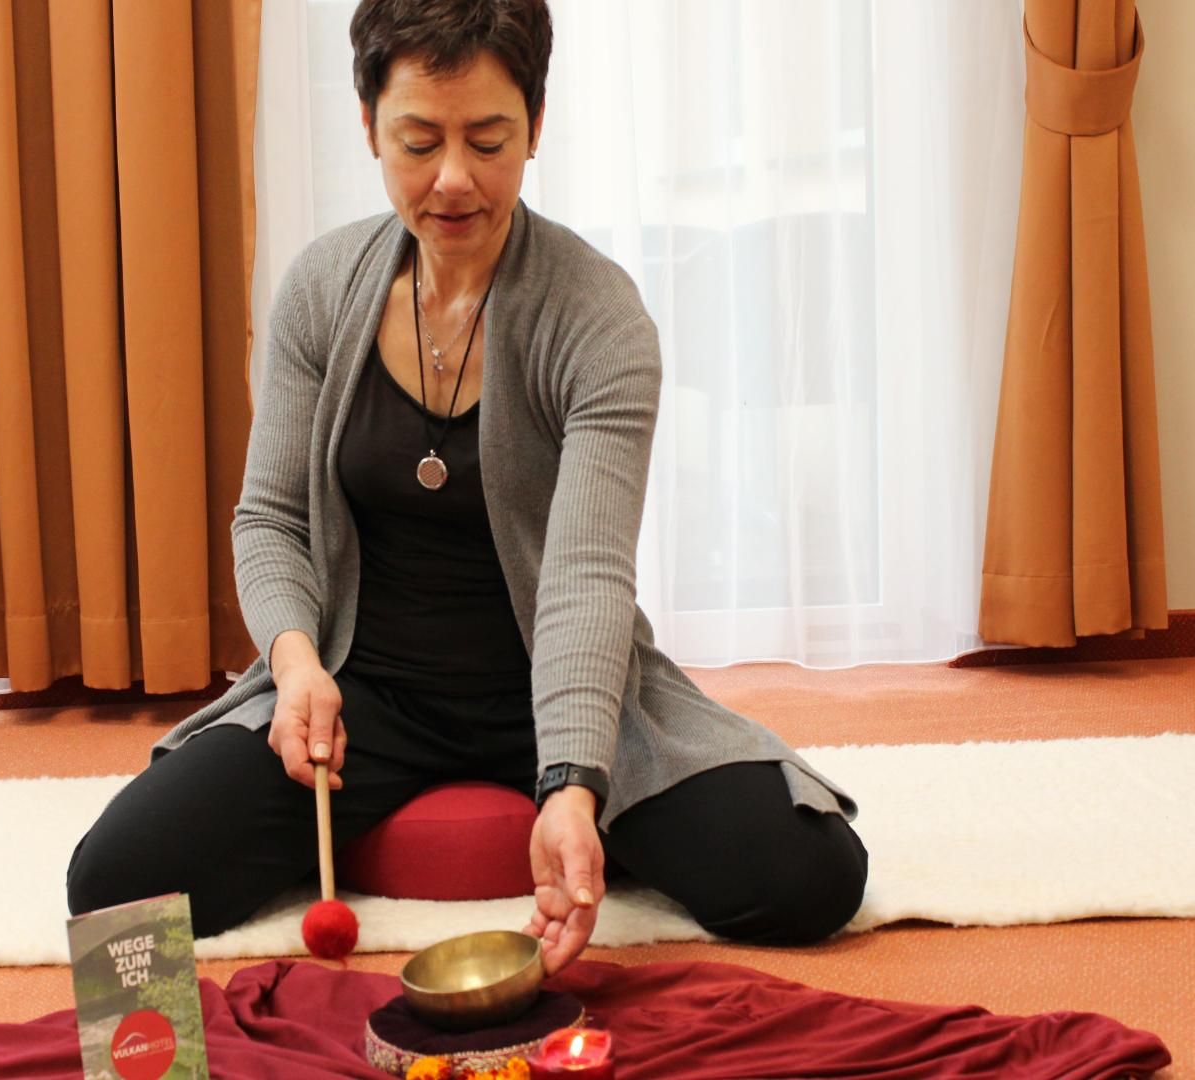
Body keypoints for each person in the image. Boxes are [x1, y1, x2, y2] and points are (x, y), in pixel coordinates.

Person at [67, 0, 866, 975]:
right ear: (369, 126)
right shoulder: (322, 289)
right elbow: (270, 517)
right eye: (419, 141)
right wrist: (297, 665)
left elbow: (584, 575)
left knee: (810, 872)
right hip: (362, 690)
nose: (453, 178)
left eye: (488, 141)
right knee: (116, 881)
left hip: (553, 681)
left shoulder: (598, 316)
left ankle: (569, 811)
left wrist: (571, 781)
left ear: (535, 125)